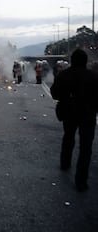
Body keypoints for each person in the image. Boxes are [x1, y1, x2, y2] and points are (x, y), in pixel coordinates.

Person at [50, 49, 98, 192]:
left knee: (68, 137)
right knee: (86, 148)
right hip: (88, 115)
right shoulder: (93, 77)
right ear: (85, 61)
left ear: (72, 60)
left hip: (69, 113)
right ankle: (81, 181)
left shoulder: (64, 75)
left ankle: (65, 163)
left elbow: (54, 93)